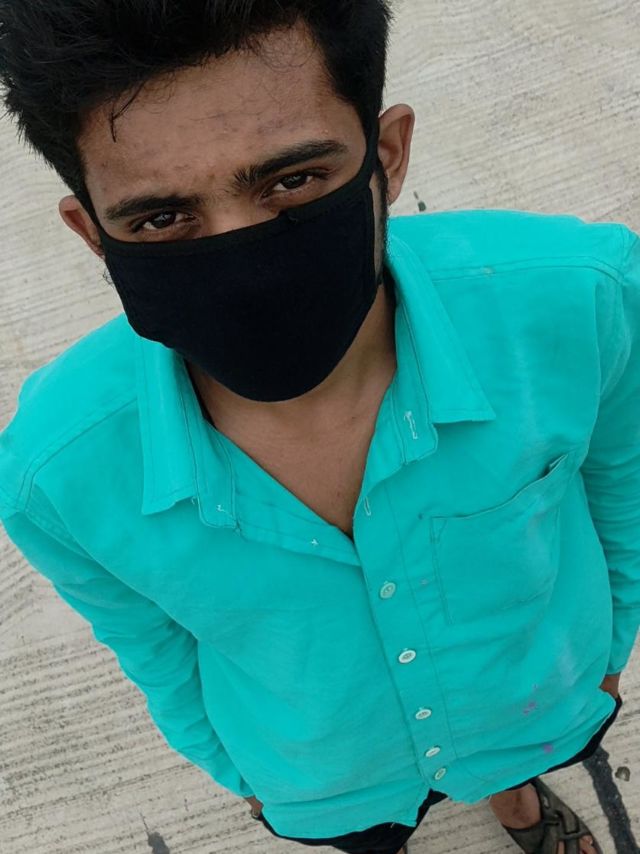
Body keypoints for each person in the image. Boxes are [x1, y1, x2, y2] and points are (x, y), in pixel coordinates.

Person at [0, 2, 636, 853]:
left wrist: (608, 652)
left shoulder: (584, 300)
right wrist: (238, 769)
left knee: (509, 769)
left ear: (388, 155)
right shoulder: (52, 475)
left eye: (293, 181)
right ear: (92, 232)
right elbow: (151, 644)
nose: (246, 268)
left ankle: (516, 799)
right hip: (332, 784)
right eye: (160, 219)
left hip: (532, 714)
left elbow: (622, 482)